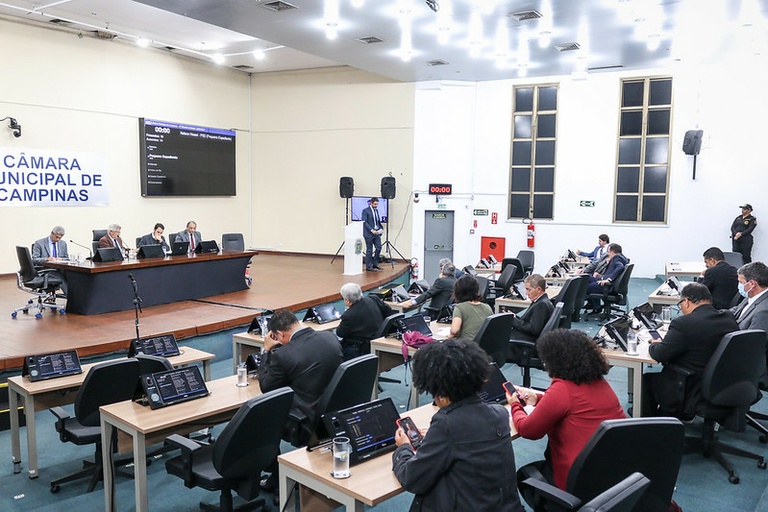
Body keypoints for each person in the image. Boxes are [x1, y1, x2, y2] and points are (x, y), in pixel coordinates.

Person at [392, 339, 524, 512]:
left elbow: (412, 478)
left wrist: (404, 449)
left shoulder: (446, 423)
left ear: (441, 392)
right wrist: (433, 440)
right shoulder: (499, 413)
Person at [510, 329, 625, 498]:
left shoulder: (563, 388)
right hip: (613, 473)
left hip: (578, 480)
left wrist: (514, 404)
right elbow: (572, 405)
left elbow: (528, 430)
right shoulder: (599, 382)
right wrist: (539, 398)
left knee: (525, 476)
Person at [257, 309, 343, 491]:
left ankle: (277, 474)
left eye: (277, 338)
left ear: (280, 334)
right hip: (336, 413)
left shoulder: (283, 355)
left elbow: (266, 386)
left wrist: (266, 351)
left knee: (260, 418)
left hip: (306, 421)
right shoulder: (330, 338)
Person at [642, 283, 739, 418]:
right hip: (722, 384)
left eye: (680, 304)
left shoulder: (683, 323)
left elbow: (659, 354)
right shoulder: (728, 317)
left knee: (645, 381)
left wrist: (655, 344)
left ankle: (654, 425)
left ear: (686, 301)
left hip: (689, 385)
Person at [336, 282, 394, 360]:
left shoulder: (348, 315)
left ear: (348, 301)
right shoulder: (374, 299)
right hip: (378, 339)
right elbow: (388, 310)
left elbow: (340, 333)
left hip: (359, 348)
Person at [508, 274, 554, 344]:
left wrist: (514, 321)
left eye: (528, 290)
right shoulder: (542, 301)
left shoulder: (541, 305)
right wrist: (515, 317)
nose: (526, 293)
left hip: (527, 340)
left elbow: (534, 330)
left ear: (538, 289)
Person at [584, 243, 629, 312]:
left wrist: (609, 280)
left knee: (583, 287)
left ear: (612, 252)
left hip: (607, 286)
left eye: (608, 252)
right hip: (608, 284)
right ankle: (596, 307)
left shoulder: (616, 258)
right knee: (586, 277)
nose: (608, 254)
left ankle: (594, 307)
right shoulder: (622, 258)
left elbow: (620, 267)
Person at [448, 275, 493, 341]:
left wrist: (449, 335)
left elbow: (455, 330)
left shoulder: (459, 307)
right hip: (482, 346)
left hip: (466, 346)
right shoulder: (487, 307)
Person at [730, 262, 768, 332]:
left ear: (752, 284)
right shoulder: (751, 296)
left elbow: (752, 340)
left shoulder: (763, 312)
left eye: (741, 282)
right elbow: (736, 310)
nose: (739, 285)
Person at [31, 226, 69, 294]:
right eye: (56, 237)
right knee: (60, 278)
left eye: (60, 238)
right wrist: (46, 259)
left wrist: (61, 259)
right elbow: (34, 259)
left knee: (73, 276)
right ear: (52, 234)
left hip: (61, 268)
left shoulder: (63, 243)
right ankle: (71, 300)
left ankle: (77, 297)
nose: (58, 239)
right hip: (46, 270)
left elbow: (67, 258)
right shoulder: (39, 243)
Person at [362, 197, 384, 271]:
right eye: (375, 204)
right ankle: (368, 266)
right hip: (369, 233)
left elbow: (377, 221)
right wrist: (371, 230)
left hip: (376, 232)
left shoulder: (376, 211)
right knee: (369, 250)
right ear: (371, 203)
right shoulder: (365, 211)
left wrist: (380, 229)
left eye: (377, 204)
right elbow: (364, 222)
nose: (376, 205)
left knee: (379, 247)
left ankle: (375, 263)